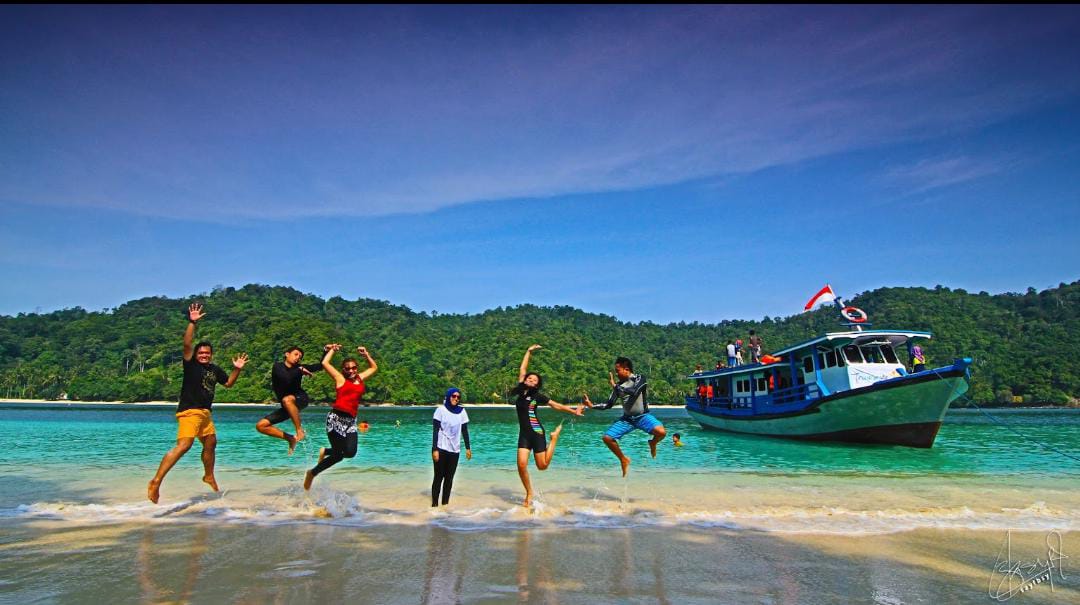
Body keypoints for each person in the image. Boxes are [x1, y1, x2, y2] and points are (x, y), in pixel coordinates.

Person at [148, 303, 248, 503]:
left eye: (207, 353)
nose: (204, 355)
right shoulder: (190, 364)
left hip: (205, 414)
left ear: (211, 354)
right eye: (201, 353)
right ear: (196, 354)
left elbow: (228, 384)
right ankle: (156, 481)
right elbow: (186, 344)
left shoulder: (215, 369)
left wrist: (237, 369)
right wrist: (192, 322)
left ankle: (208, 475)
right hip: (189, 411)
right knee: (185, 445)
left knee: (211, 443)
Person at [512, 345, 585, 507]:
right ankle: (529, 492)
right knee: (521, 464)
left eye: (534, 380)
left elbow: (556, 405)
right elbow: (522, 368)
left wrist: (573, 411)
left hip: (537, 432)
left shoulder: (537, 396)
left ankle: (554, 439)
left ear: (537, 385)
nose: (530, 380)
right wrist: (528, 351)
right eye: (529, 378)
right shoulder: (520, 391)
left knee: (542, 466)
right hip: (524, 434)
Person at [304, 344, 378, 490]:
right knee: (338, 455)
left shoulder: (360, 378)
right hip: (335, 420)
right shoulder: (340, 379)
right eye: (347, 368)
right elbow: (325, 363)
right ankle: (312, 473)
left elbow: (374, 368)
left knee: (350, 453)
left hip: (350, 422)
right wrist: (332, 350)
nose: (351, 370)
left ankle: (325, 451)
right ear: (343, 370)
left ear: (357, 368)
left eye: (354, 368)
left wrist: (366, 355)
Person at [583, 356, 667, 477]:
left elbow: (634, 391)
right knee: (607, 438)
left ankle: (653, 443)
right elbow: (608, 404)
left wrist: (615, 386)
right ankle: (623, 459)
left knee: (661, 432)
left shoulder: (640, 378)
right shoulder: (619, 386)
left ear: (626, 369)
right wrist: (591, 406)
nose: (616, 374)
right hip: (627, 420)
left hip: (643, 416)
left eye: (618, 371)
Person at [256, 346, 323, 454]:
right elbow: (286, 378)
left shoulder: (300, 367)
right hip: (287, 406)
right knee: (261, 426)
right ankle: (290, 438)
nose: (298, 358)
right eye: (296, 354)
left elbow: (321, 365)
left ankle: (299, 430)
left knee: (287, 400)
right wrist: (300, 370)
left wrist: (326, 350)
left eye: (300, 357)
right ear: (287, 354)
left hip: (300, 399)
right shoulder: (277, 366)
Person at [431, 388, 472, 507]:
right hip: (441, 448)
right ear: (448, 396)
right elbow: (435, 431)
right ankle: (434, 506)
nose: (456, 399)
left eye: (458, 397)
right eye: (454, 396)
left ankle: (445, 506)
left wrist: (468, 448)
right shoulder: (440, 410)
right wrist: (435, 449)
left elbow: (464, 430)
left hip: (455, 450)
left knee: (449, 479)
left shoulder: (462, 412)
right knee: (439, 477)